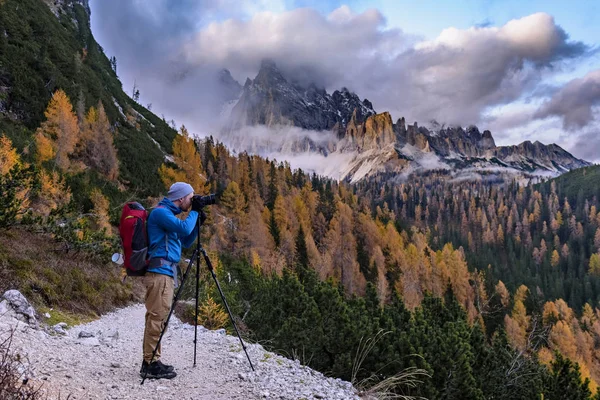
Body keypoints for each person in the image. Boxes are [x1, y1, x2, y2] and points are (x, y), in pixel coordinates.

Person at [140, 181, 205, 379]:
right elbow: (184, 229)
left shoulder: (170, 216)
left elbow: (185, 239)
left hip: (166, 273)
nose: (192, 201)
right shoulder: (161, 213)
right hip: (159, 273)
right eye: (190, 198)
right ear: (181, 198)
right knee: (157, 317)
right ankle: (149, 364)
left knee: (161, 318)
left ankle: (154, 360)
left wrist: (198, 223)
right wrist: (194, 213)